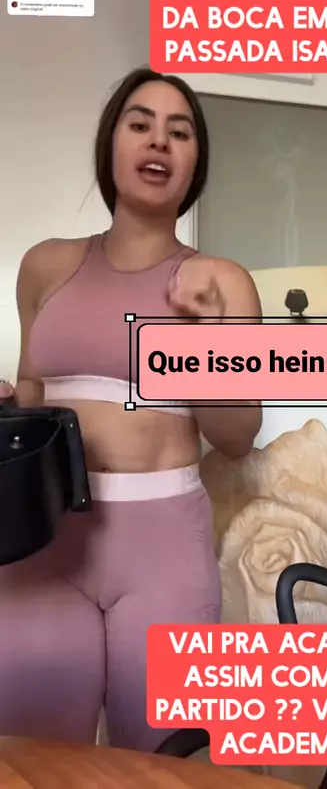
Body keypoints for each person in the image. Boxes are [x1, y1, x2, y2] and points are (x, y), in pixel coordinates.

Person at [0, 67, 262, 752]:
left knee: (162, 761)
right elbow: (33, 395)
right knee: (31, 758)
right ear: (111, 144)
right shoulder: (45, 266)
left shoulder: (226, 282)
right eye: (140, 124)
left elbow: (238, 435)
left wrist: (203, 338)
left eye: (180, 132)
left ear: (195, 163)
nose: (159, 142)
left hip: (162, 549)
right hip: (43, 536)